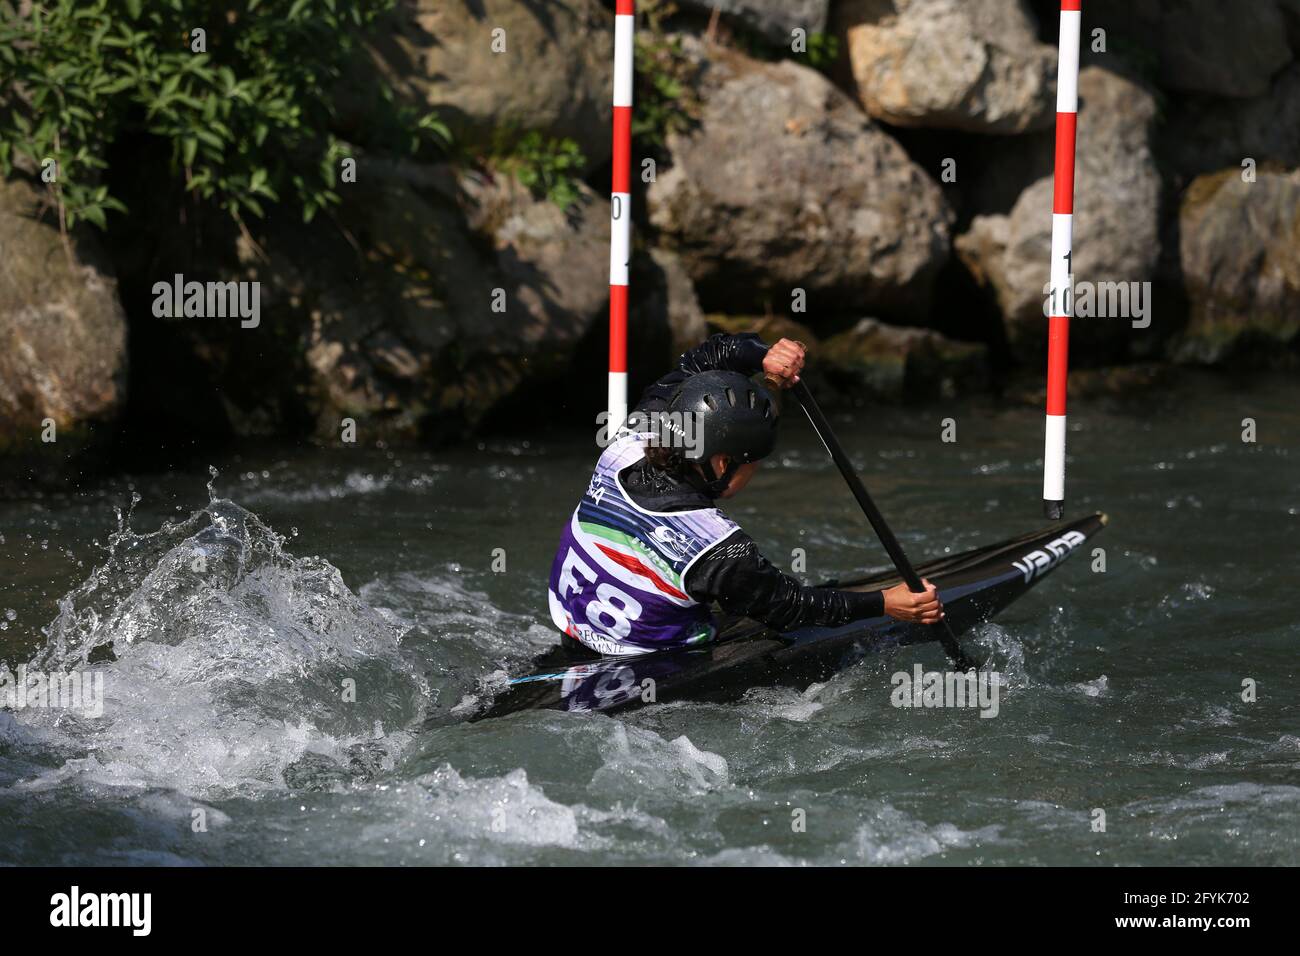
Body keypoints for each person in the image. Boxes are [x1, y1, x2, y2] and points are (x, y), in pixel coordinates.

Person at [546, 333, 944, 657]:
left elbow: (703, 358)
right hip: (653, 661)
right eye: (753, 462)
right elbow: (789, 607)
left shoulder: (630, 439)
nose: (756, 471)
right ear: (722, 464)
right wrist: (884, 604)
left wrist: (763, 356)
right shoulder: (716, 547)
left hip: (572, 631)